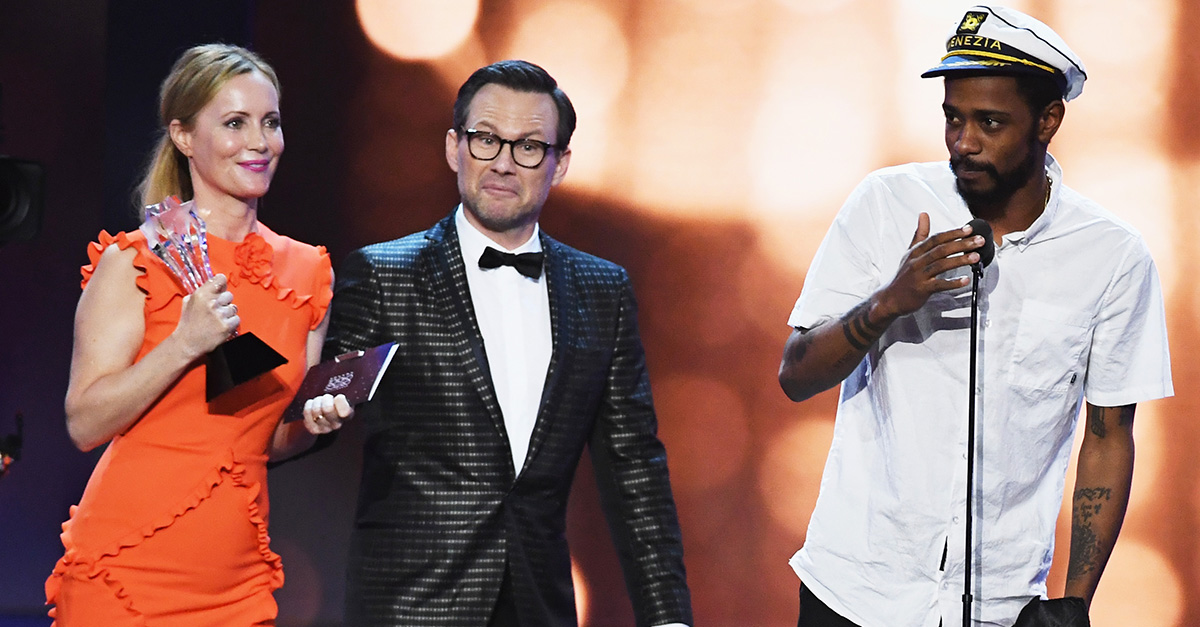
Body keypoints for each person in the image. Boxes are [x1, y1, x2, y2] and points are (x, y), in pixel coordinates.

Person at [777, 6, 1172, 627]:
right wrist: (888, 302)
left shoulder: (1112, 256)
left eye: (990, 122)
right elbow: (796, 375)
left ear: (1048, 120)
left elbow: (1108, 434)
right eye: (952, 118)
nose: (964, 141)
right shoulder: (886, 204)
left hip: (1000, 606)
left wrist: (1075, 600)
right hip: (854, 593)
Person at [323, 60, 693, 626]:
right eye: (486, 139)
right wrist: (319, 411)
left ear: (560, 164)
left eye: (528, 147)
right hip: (410, 604)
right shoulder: (383, 274)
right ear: (454, 147)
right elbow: (325, 399)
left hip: (538, 602)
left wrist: (667, 616)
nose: (502, 162)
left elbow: (633, 464)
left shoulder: (602, 290)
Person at [45, 44, 348, 625]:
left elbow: (265, 437)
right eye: (235, 123)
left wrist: (313, 425)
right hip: (126, 572)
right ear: (183, 136)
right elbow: (84, 423)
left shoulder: (307, 272)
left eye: (270, 122)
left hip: (236, 584)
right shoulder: (135, 261)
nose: (259, 142)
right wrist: (184, 343)